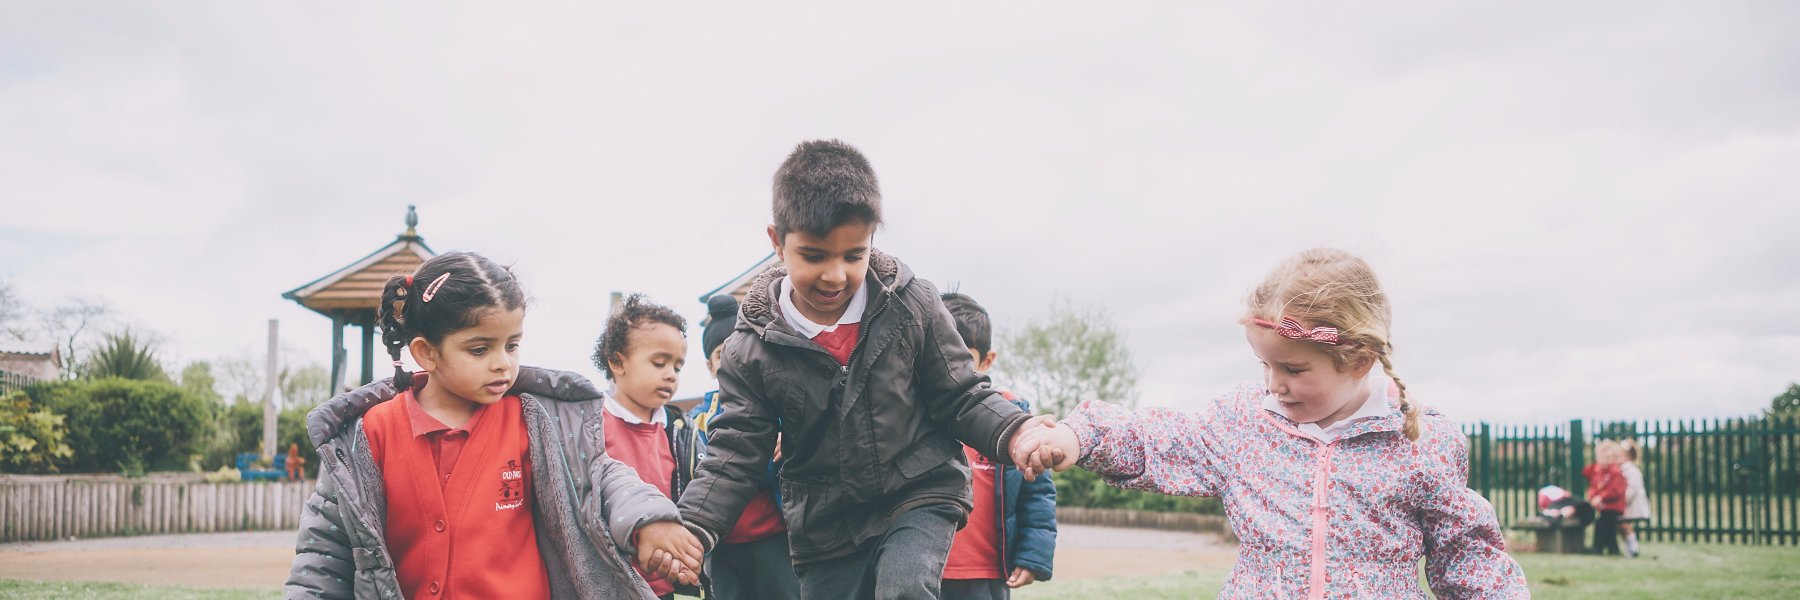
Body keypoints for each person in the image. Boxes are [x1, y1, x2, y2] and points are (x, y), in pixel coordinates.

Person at [1013, 248, 1529, 598]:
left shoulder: (1422, 441)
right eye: (1265, 365)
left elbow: (1467, 556)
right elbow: (1159, 439)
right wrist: (1079, 435)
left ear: (1359, 359)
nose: (1274, 384)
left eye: (1293, 369)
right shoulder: (1244, 423)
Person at [675, 139, 1051, 600]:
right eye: (814, 255)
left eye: (854, 255)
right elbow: (736, 451)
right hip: (826, 524)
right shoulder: (750, 349)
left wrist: (1016, 431)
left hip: (917, 492)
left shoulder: (912, 305)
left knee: (903, 588)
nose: (835, 275)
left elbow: (962, 395)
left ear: (872, 239)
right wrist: (693, 526)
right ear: (777, 242)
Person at [286, 251, 701, 599]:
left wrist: (649, 519)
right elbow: (324, 551)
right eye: (480, 349)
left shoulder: (534, 422)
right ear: (426, 353)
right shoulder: (367, 436)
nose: (503, 363)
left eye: (512, 345)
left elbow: (601, 479)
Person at [937, 293, 1057, 600]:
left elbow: (1037, 494)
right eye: (941, 357)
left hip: (985, 573)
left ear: (987, 360)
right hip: (919, 568)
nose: (951, 369)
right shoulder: (910, 414)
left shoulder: (1014, 421)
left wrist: (1033, 556)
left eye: (963, 359)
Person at [683, 294, 799, 599]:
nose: (732, 358)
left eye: (739, 348)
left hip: (775, 539)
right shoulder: (696, 422)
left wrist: (791, 441)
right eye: (721, 353)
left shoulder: (778, 407)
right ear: (710, 366)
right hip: (722, 547)